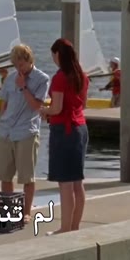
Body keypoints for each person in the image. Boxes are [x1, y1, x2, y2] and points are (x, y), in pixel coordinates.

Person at [0, 44, 50, 223]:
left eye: (21, 64)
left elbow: (37, 106)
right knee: (4, 175)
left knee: (27, 177)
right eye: (15, 65)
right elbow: (4, 102)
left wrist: (23, 87)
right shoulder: (10, 78)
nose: (18, 68)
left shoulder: (42, 79)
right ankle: (8, 210)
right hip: (7, 131)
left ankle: (26, 212)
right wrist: (2, 119)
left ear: (29, 60)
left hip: (26, 132)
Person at [39, 38, 89, 235]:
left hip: (64, 131)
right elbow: (83, 104)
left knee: (65, 183)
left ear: (58, 54)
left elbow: (57, 107)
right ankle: (74, 226)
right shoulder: (82, 75)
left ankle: (65, 228)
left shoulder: (60, 77)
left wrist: (44, 110)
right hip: (81, 128)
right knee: (77, 182)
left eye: (53, 55)